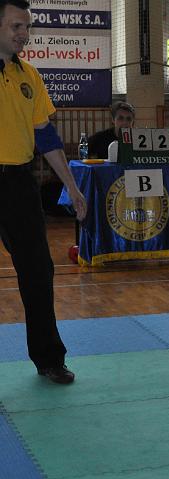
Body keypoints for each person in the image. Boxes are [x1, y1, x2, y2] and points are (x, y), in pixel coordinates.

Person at [0, 0, 87, 384]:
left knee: (38, 270)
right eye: (16, 26)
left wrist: (72, 187)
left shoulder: (29, 75)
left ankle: (49, 358)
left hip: (19, 182)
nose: (24, 34)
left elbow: (46, 136)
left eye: (27, 27)